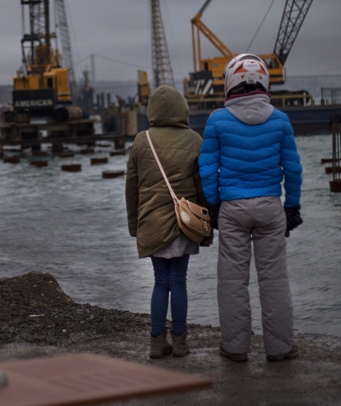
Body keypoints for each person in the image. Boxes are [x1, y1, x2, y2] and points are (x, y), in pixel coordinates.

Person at [199, 54, 303, 363]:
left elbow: (207, 170)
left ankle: (235, 349)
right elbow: (293, 169)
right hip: (271, 206)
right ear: (264, 82)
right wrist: (292, 207)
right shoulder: (280, 120)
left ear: (230, 82)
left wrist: (213, 207)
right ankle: (281, 349)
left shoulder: (217, 120)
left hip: (232, 208)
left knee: (233, 282)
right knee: (274, 280)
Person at [126, 85, 211, 359]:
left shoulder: (142, 140)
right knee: (179, 282)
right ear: (181, 108)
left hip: (151, 223)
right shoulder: (195, 140)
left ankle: (155, 343)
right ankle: (181, 343)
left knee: (160, 281)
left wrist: (134, 225)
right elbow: (202, 185)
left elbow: (132, 187)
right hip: (184, 223)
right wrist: (208, 223)